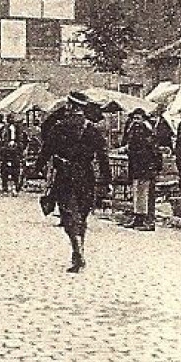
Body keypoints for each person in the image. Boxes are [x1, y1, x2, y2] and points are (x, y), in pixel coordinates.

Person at [33, 95, 110, 273]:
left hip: (65, 175)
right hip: (86, 175)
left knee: (68, 214)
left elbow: (46, 151)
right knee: (82, 215)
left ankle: (77, 249)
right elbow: (102, 156)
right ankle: (80, 245)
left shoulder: (59, 127)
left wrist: (37, 168)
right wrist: (106, 180)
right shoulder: (92, 129)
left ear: (69, 106)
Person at [125, 109, 162, 231]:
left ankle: (149, 221)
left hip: (147, 167)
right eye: (134, 118)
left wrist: (155, 167)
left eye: (138, 118)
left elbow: (154, 150)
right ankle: (138, 218)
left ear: (143, 119)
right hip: (136, 166)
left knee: (148, 194)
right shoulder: (133, 130)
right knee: (137, 193)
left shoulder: (148, 132)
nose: (136, 121)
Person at [0, 114, 27, 193]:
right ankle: (4, 186)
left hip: (15, 149)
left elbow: (22, 139)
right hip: (5, 149)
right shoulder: (3, 128)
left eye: (12, 118)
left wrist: (19, 146)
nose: (11, 120)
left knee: (16, 166)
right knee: (3, 166)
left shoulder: (18, 129)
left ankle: (15, 185)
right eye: (9, 118)